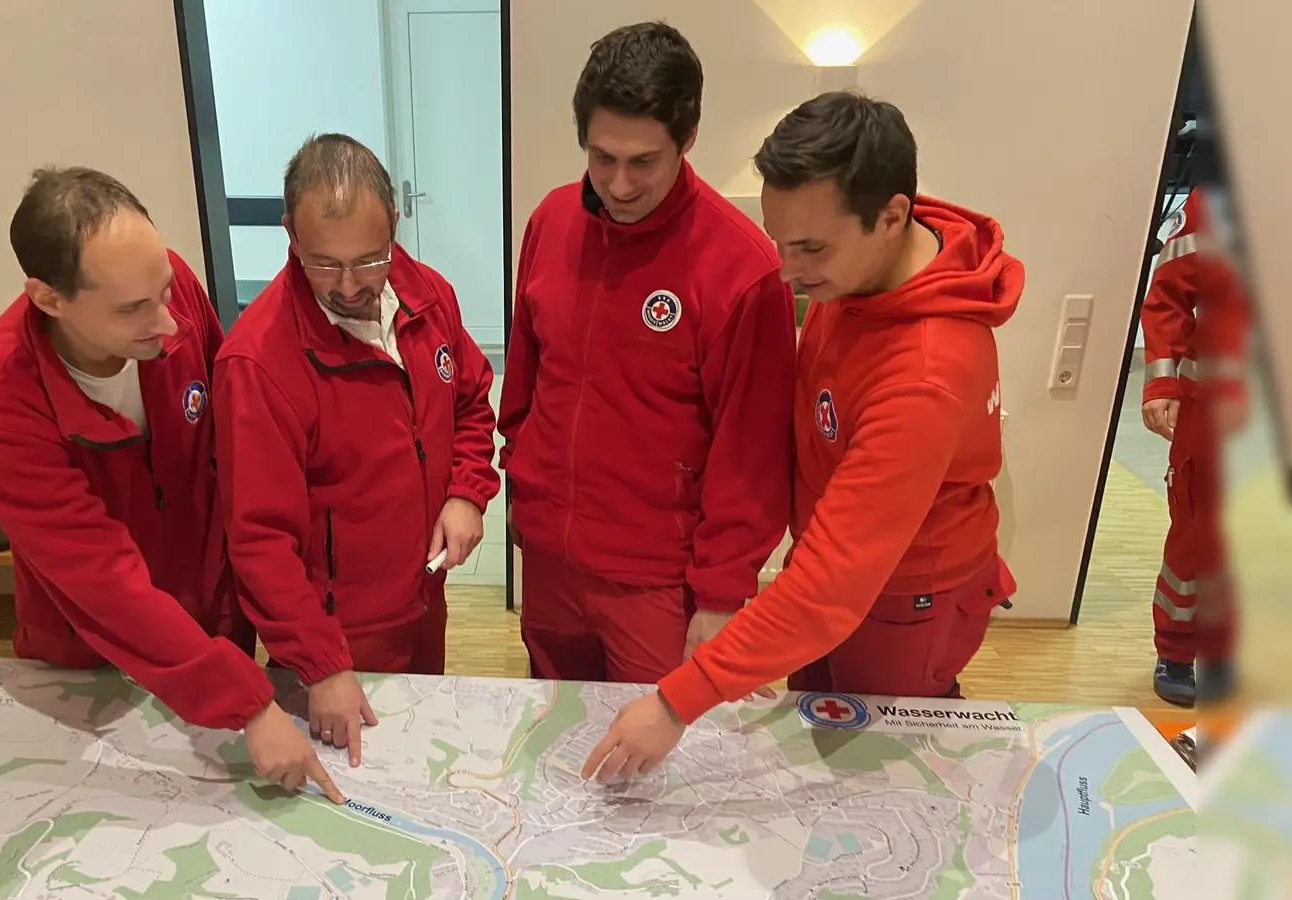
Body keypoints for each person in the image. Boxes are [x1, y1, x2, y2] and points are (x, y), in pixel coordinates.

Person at [583, 91, 1024, 782]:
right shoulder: (860, 272)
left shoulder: (926, 372)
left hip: (905, 604)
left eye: (810, 248)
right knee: (813, 741)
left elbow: (828, 590)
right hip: (840, 575)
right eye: (779, 241)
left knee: (878, 777)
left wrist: (676, 702)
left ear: (892, 217)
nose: (787, 271)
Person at [0, 166, 340, 801]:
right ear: (49, 299)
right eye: (132, 309)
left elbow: (233, 446)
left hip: (214, 617)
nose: (168, 323)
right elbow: (105, 584)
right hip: (93, 656)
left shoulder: (169, 288)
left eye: (163, 290)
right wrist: (250, 705)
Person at [498, 22, 795, 685]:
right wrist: (524, 483)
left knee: (656, 767)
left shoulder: (742, 270)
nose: (620, 184)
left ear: (687, 141)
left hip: (658, 582)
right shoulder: (550, 222)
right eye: (602, 158)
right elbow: (525, 377)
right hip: (550, 562)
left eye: (643, 162)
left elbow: (752, 456)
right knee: (556, 732)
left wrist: (722, 596)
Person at [215, 134, 499, 767]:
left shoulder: (429, 296)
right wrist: (321, 664)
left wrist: (466, 491)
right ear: (289, 233)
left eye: (371, 260)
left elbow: (473, 402)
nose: (349, 286)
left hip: (423, 601)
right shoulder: (258, 362)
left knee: (426, 765)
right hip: (337, 635)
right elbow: (258, 541)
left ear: (395, 226)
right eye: (323, 263)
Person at [1138, 186, 1248, 707]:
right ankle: (1177, 651)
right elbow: (1167, 297)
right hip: (1213, 408)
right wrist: (1161, 383)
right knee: (1197, 536)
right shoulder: (1215, 201)